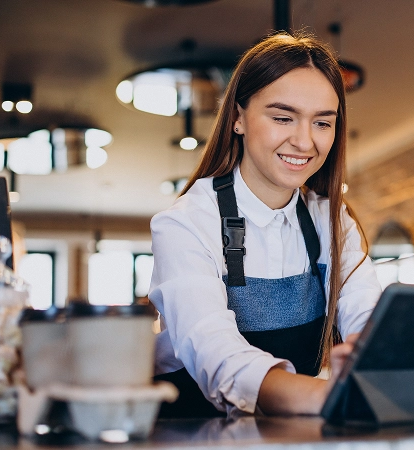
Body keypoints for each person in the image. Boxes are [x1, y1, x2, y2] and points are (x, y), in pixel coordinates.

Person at [149, 32, 381, 418]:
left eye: (322, 123)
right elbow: (216, 353)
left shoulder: (332, 219)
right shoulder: (185, 223)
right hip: (191, 433)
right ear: (238, 118)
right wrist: (325, 397)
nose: (305, 142)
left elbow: (366, 315)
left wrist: (374, 357)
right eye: (282, 118)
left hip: (289, 432)